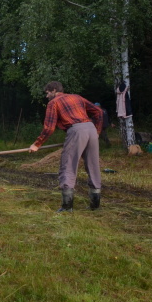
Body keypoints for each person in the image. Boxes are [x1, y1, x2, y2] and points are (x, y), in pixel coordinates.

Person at [29, 81, 103, 212]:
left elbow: (49, 128)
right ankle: (95, 206)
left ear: (53, 90)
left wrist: (37, 144)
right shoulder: (77, 97)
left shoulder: (54, 102)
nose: (47, 97)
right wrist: (96, 131)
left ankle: (67, 207)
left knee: (68, 166)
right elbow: (98, 111)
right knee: (93, 165)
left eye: (47, 93)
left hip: (75, 130)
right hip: (91, 129)